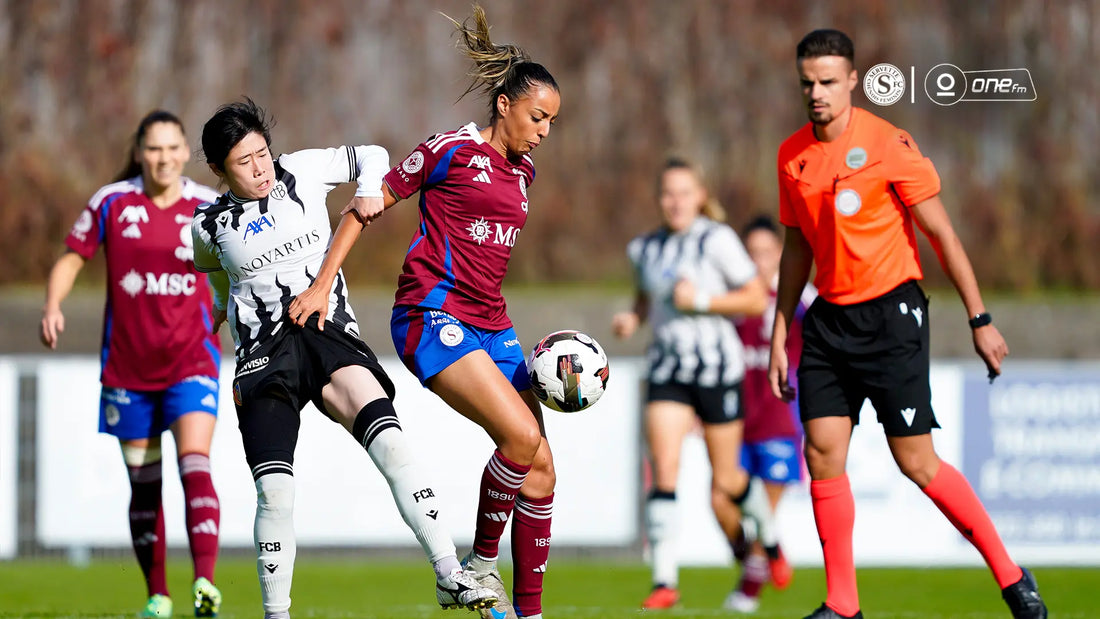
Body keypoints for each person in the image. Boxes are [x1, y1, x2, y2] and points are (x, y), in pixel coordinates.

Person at [287, 6, 558, 618]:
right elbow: (363, 207)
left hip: (493, 321)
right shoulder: (448, 151)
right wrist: (322, 285)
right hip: (431, 315)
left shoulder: (525, 172)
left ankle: (529, 615)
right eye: (537, 117)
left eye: (551, 123)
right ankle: (480, 569)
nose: (543, 132)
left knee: (539, 465)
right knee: (518, 437)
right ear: (504, 106)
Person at [769, 29, 1048, 619]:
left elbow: (942, 234)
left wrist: (981, 318)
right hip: (827, 321)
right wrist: (778, 333)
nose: (815, 93)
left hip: (891, 315)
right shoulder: (791, 155)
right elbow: (795, 248)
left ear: (850, 80)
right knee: (821, 452)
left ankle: (1012, 576)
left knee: (917, 462)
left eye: (826, 82)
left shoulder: (888, 143)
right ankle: (843, 604)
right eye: (806, 83)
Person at [191, 98, 496, 619]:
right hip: (263, 355)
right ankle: (276, 614)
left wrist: (369, 191)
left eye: (263, 153)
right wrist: (222, 303)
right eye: (244, 162)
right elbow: (213, 265)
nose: (261, 167)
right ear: (219, 170)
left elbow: (374, 155)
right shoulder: (206, 224)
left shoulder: (305, 169)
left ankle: (448, 572)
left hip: (327, 331)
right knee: (276, 494)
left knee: (391, 441)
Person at [39, 110, 224, 619]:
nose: (163, 158)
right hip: (128, 370)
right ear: (140, 152)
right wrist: (53, 305)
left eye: (172, 148)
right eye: (154, 149)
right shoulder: (111, 202)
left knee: (195, 466)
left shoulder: (208, 206)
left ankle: (205, 584)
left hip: (193, 359)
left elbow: (249, 259)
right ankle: (158, 596)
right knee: (144, 484)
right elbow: (71, 256)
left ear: (186, 152)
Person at [610, 157, 789, 610]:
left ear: (701, 197)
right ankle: (664, 580)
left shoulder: (719, 240)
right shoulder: (644, 249)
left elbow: (753, 298)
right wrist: (632, 318)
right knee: (665, 468)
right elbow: (645, 300)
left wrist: (702, 300)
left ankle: (769, 541)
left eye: (684, 193)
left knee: (727, 480)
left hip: (717, 370)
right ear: (659, 199)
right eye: (668, 193)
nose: (675, 202)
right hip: (668, 369)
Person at [727, 214, 817, 613]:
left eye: (766, 252)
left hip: (781, 419)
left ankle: (749, 589)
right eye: (751, 254)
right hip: (734, 420)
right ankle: (761, 562)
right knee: (721, 501)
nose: (759, 260)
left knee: (766, 506)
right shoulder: (733, 297)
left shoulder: (799, 296)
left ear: (780, 254)